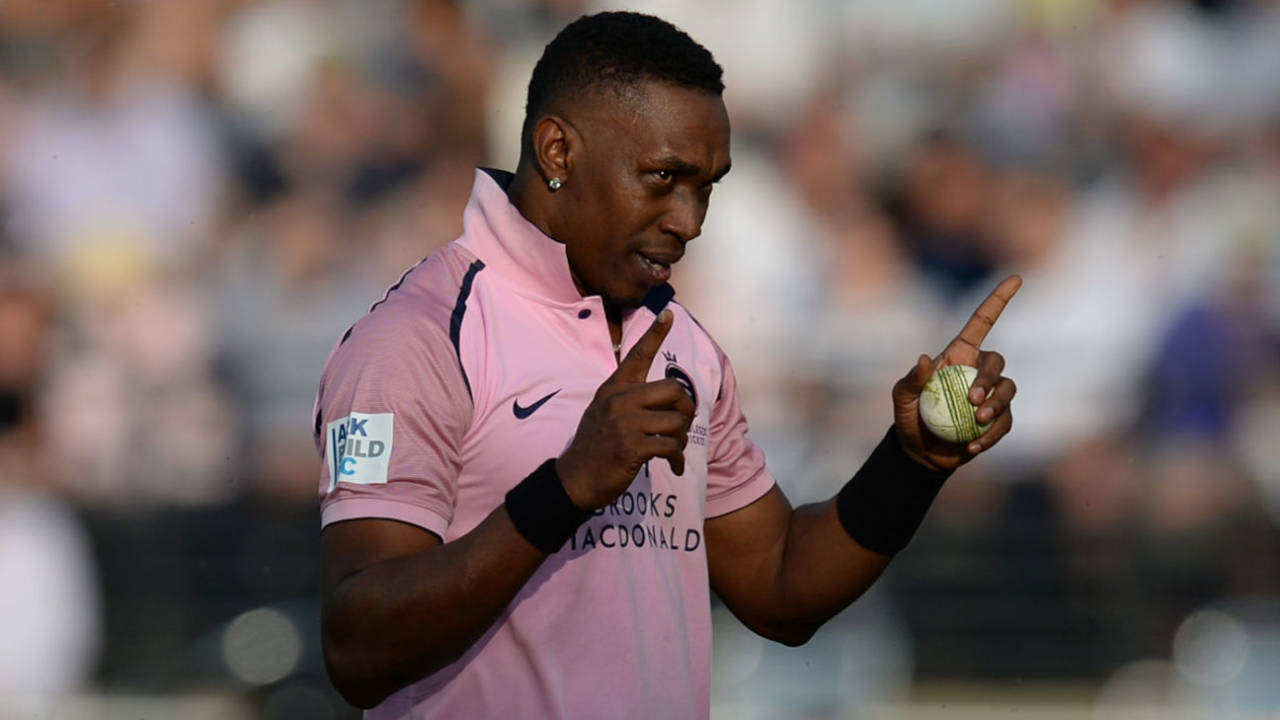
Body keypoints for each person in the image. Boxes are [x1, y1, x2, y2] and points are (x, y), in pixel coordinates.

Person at [314, 11, 1019, 718]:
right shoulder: (419, 339)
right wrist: (565, 489)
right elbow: (358, 647)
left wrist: (913, 462)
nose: (690, 220)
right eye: (663, 178)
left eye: (707, 186)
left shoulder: (683, 344)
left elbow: (780, 588)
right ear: (557, 151)